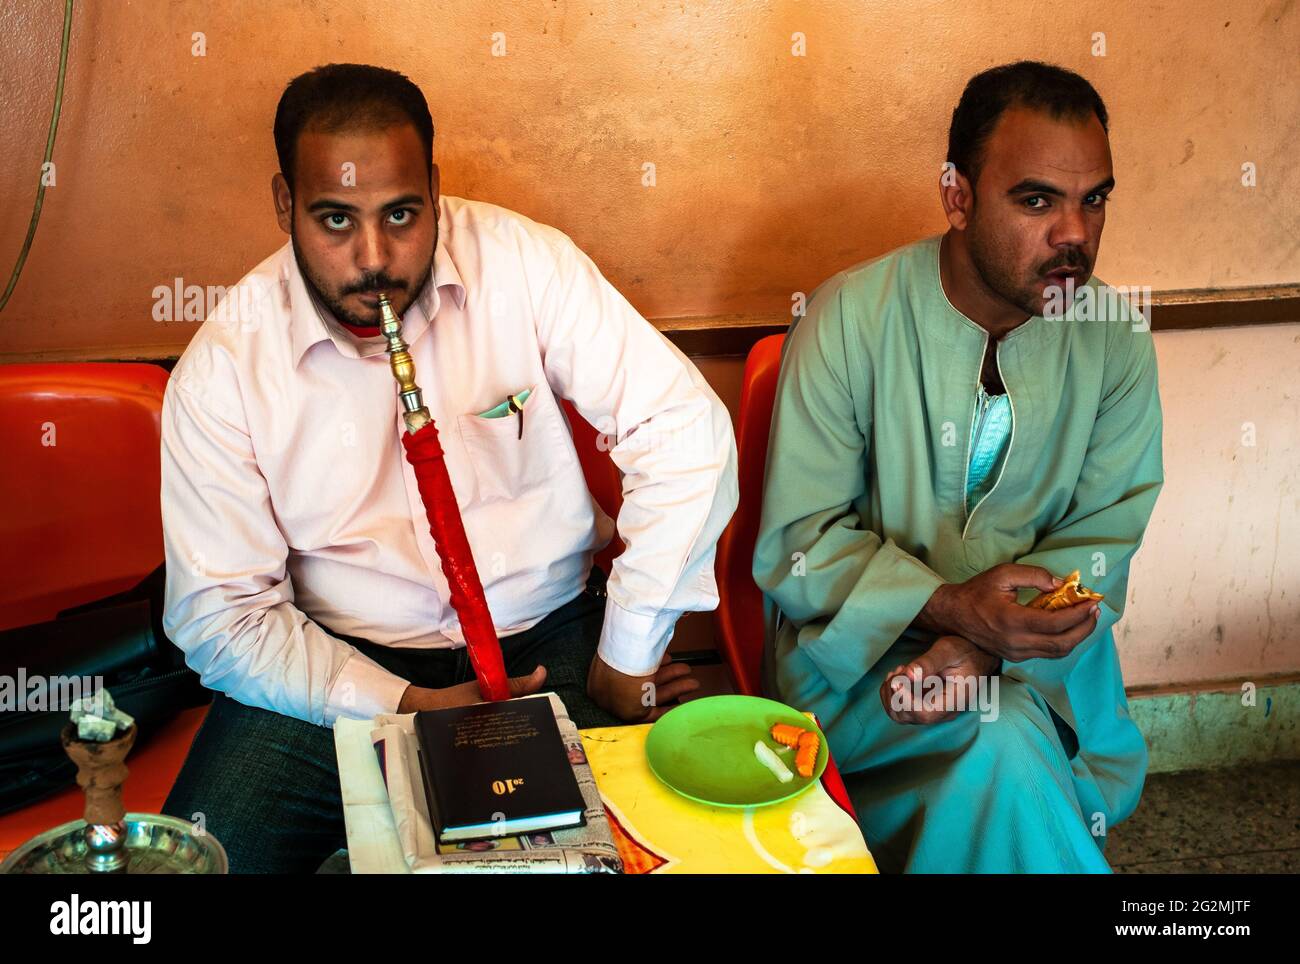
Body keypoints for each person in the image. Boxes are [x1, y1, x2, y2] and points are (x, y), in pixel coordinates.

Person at [161, 63, 737, 873]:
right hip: (337, 667)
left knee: (620, 861)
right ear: (285, 204)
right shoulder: (226, 364)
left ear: (434, 188)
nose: (374, 260)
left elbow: (684, 430)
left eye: (402, 214)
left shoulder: (524, 264)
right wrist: (406, 705)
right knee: (201, 867)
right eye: (334, 220)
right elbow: (221, 616)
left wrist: (627, 653)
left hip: (548, 638)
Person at [753, 61, 1163, 873]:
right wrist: (947, 607)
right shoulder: (848, 321)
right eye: (1037, 199)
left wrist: (989, 646)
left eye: (1095, 199)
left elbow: (1103, 538)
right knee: (1001, 746)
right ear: (958, 196)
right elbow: (798, 543)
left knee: (1003, 732)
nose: (1074, 233)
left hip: (1042, 669)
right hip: (861, 673)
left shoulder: (1114, 337)